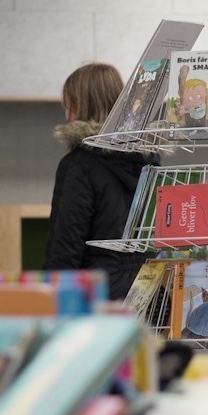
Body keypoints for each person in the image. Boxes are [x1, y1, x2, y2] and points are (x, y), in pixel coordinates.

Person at [42, 62, 153, 298]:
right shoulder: (147, 161)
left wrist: (50, 303)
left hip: (94, 301)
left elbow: (65, 246)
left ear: (80, 109)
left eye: (69, 107)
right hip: (146, 294)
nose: (66, 115)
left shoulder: (79, 165)